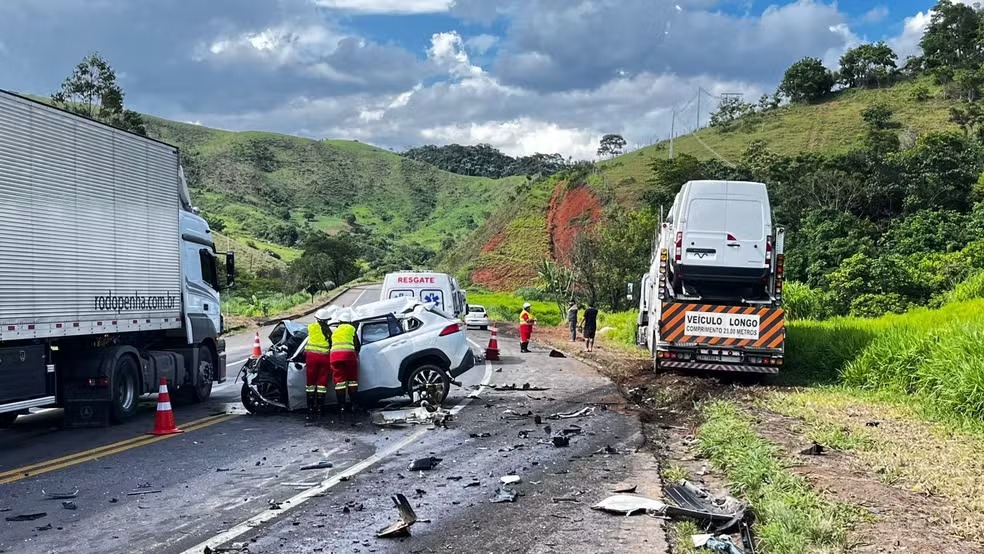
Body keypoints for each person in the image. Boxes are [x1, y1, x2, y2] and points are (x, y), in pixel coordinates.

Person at [304, 308, 334, 422]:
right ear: (327, 320)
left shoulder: (311, 327)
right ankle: (320, 410)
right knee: (322, 384)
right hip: (324, 359)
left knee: (310, 384)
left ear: (317, 319)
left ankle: (310, 409)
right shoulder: (329, 331)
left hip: (311, 358)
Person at [329, 309, 361, 414]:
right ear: (350, 322)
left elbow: (330, 345)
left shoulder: (334, 331)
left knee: (339, 383)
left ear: (339, 322)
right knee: (352, 381)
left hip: (334, 357)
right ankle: (354, 405)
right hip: (348, 356)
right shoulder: (351, 329)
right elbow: (357, 345)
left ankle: (341, 407)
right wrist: (356, 354)